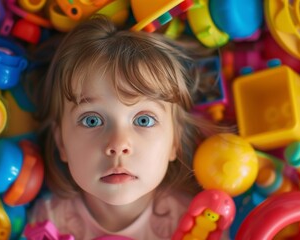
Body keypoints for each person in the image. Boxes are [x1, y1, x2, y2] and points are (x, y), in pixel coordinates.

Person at [29, 15, 219, 239]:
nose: (118, 144)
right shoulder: (49, 220)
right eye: (92, 120)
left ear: (174, 140)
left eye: (143, 120)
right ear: (61, 142)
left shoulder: (197, 223)